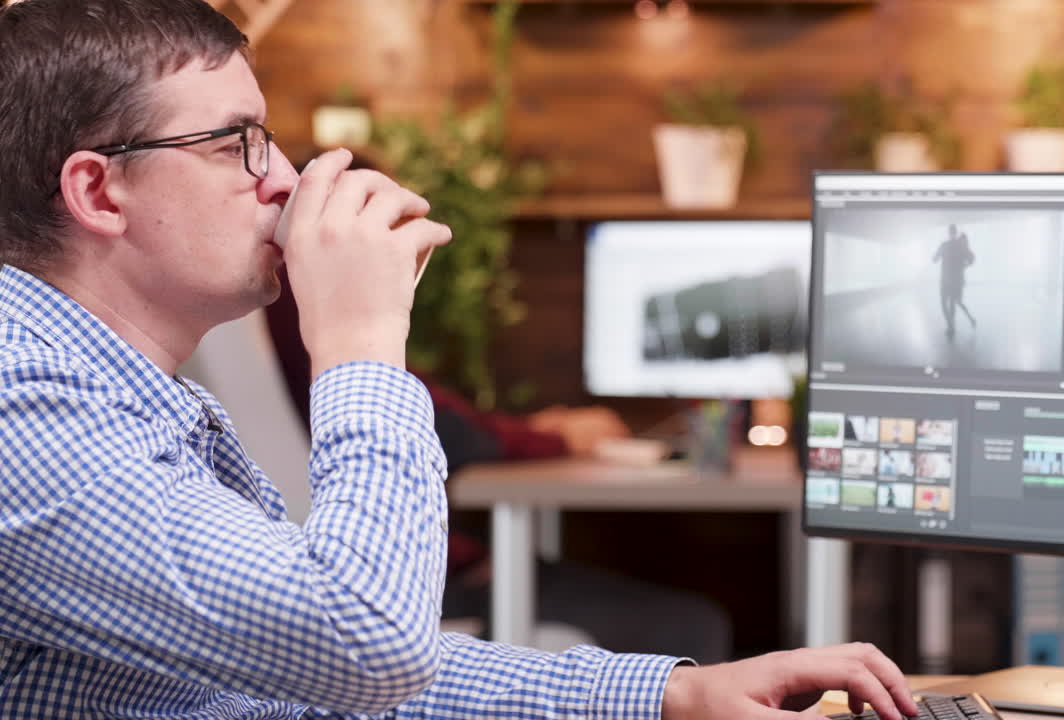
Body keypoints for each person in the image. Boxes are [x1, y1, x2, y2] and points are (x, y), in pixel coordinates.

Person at [0, 1, 921, 718]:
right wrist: (361, 341)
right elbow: (366, 644)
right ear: (99, 190)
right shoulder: (23, 409)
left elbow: (312, 674)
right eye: (237, 143)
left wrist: (675, 695)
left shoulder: (116, 403)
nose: (282, 177)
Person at [266, 267, 735, 663]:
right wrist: (554, 437)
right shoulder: (319, 306)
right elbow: (444, 427)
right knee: (691, 627)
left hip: (421, 569)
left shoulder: (287, 314)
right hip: (424, 582)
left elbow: (430, 414)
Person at [932, 224, 976, 339]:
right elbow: (972, 259)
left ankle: (951, 326)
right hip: (954, 280)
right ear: (955, 232)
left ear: (949, 232)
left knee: (947, 303)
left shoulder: (945, 245)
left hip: (947, 280)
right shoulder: (959, 246)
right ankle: (952, 325)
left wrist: (964, 265)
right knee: (953, 303)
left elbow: (934, 259)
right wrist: (964, 266)